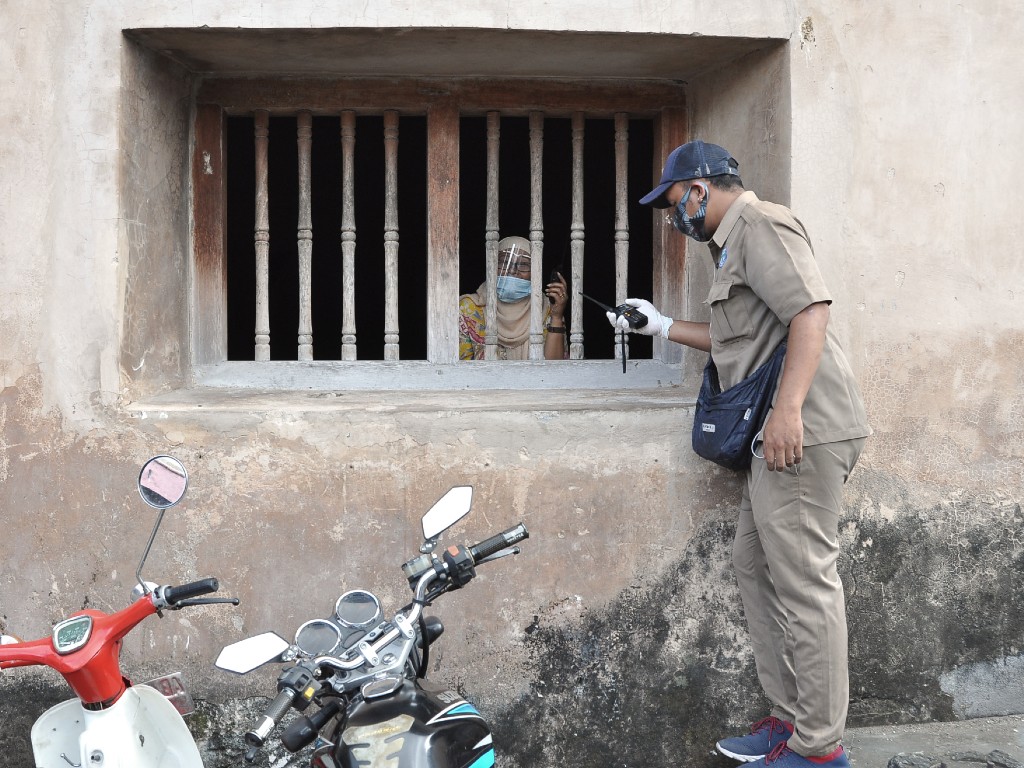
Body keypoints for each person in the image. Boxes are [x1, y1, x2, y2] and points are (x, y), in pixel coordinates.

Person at [611, 141, 871, 768]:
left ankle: (818, 750)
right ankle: (791, 719)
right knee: (754, 564)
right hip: (773, 435)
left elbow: (811, 311)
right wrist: (661, 326)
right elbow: (739, 338)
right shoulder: (729, 246)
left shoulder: (762, 224)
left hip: (801, 429)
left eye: (674, 203)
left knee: (807, 585)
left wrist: (787, 413)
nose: (674, 217)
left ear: (698, 189)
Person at [459, 236, 568, 360]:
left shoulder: (548, 308)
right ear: (492, 266)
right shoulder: (469, 309)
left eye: (523, 264)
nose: (512, 270)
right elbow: (459, 371)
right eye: (504, 262)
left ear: (535, 272)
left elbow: (554, 369)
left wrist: (557, 317)